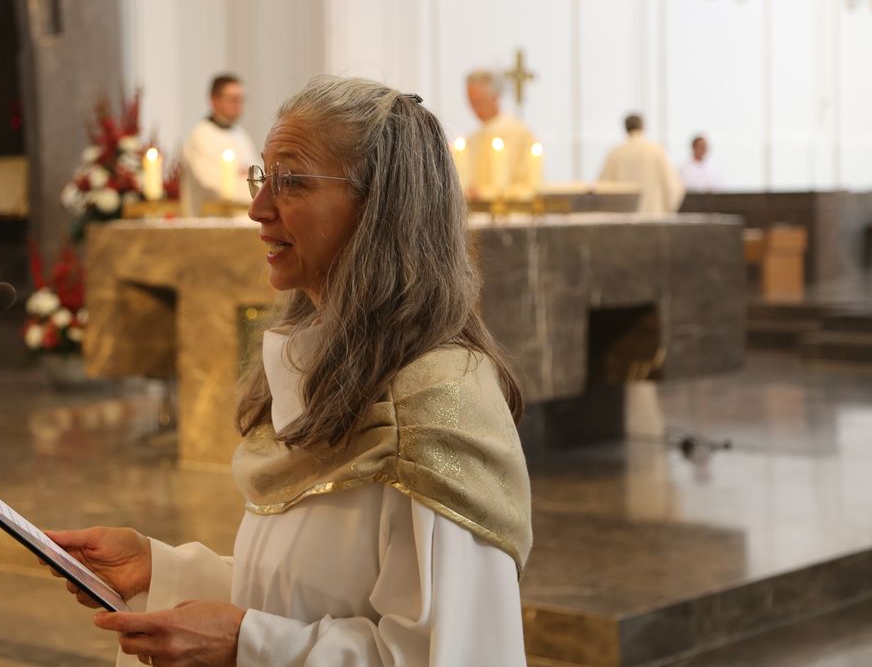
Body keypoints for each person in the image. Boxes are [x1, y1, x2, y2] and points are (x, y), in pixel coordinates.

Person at [46, 76, 533, 666]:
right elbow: (300, 594)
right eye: (263, 177)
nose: (257, 208)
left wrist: (244, 645)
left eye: (292, 182)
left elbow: (450, 656)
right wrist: (161, 569)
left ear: (380, 205)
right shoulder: (312, 363)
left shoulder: (438, 402)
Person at [180, 74, 258, 216]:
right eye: (233, 99)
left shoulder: (241, 135)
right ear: (214, 100)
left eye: (241, 99)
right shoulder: (201, 135)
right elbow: (212, 182)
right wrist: (244, 180)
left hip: (243, 215)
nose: (238, 105)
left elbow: (255, 174)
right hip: (210, 220)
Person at [465, 70, 537, 197]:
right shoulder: (472, 139)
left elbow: (529, 184)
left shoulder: (518, 133)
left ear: (495, 97)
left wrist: (487, 193)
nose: (475, 108)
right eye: (471, 102)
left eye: (479, 101)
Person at [598, 113, 685, 215]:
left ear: (625, 129)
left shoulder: (615, 153)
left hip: (624, 219)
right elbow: (672, 186)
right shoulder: (656, 151)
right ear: (643, 127)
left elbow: (604, 187)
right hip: (653, 217)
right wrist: (666, 210)